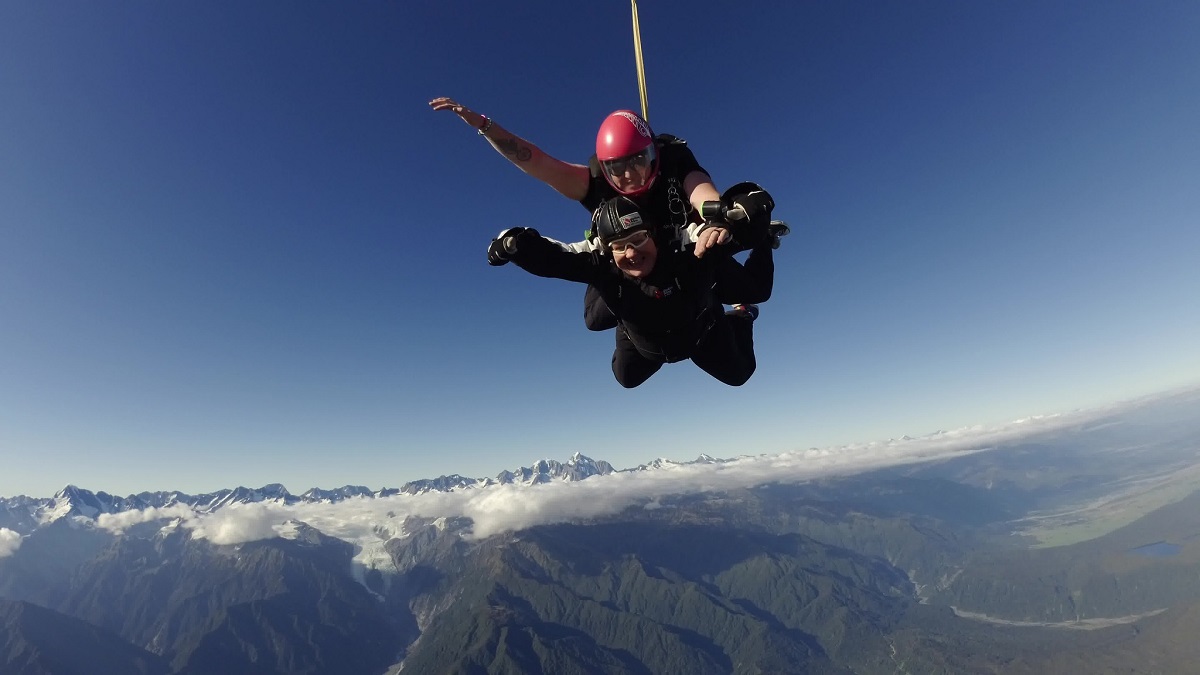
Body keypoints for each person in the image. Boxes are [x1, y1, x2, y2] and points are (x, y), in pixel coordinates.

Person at [430, 97, 785, 329]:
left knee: (752, 289)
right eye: (617, 167)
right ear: (605, 167)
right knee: (596, 318)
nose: (629, 175)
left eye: (638, 161)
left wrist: (719, 212)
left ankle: (752, 271)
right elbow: (538, 162)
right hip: (627, 260)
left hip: (684, 247)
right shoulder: (596, 182)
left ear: (653, 155)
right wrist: (484, 125)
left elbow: (701, 191)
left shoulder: (674, 160)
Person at [486, 196, 774, 388]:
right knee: (623, 375)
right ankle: (617, 308)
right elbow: (556, 258)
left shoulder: (684, 251)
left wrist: (752, 221)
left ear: (655, 235)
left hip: (701, 333)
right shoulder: (607, 265)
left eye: (638, 239)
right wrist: (516, 245)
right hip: (643, 343)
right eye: (620, 246)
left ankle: (740, 316)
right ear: (608, 250)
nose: (632, 252)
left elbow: (727, 227)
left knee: (740, 374)